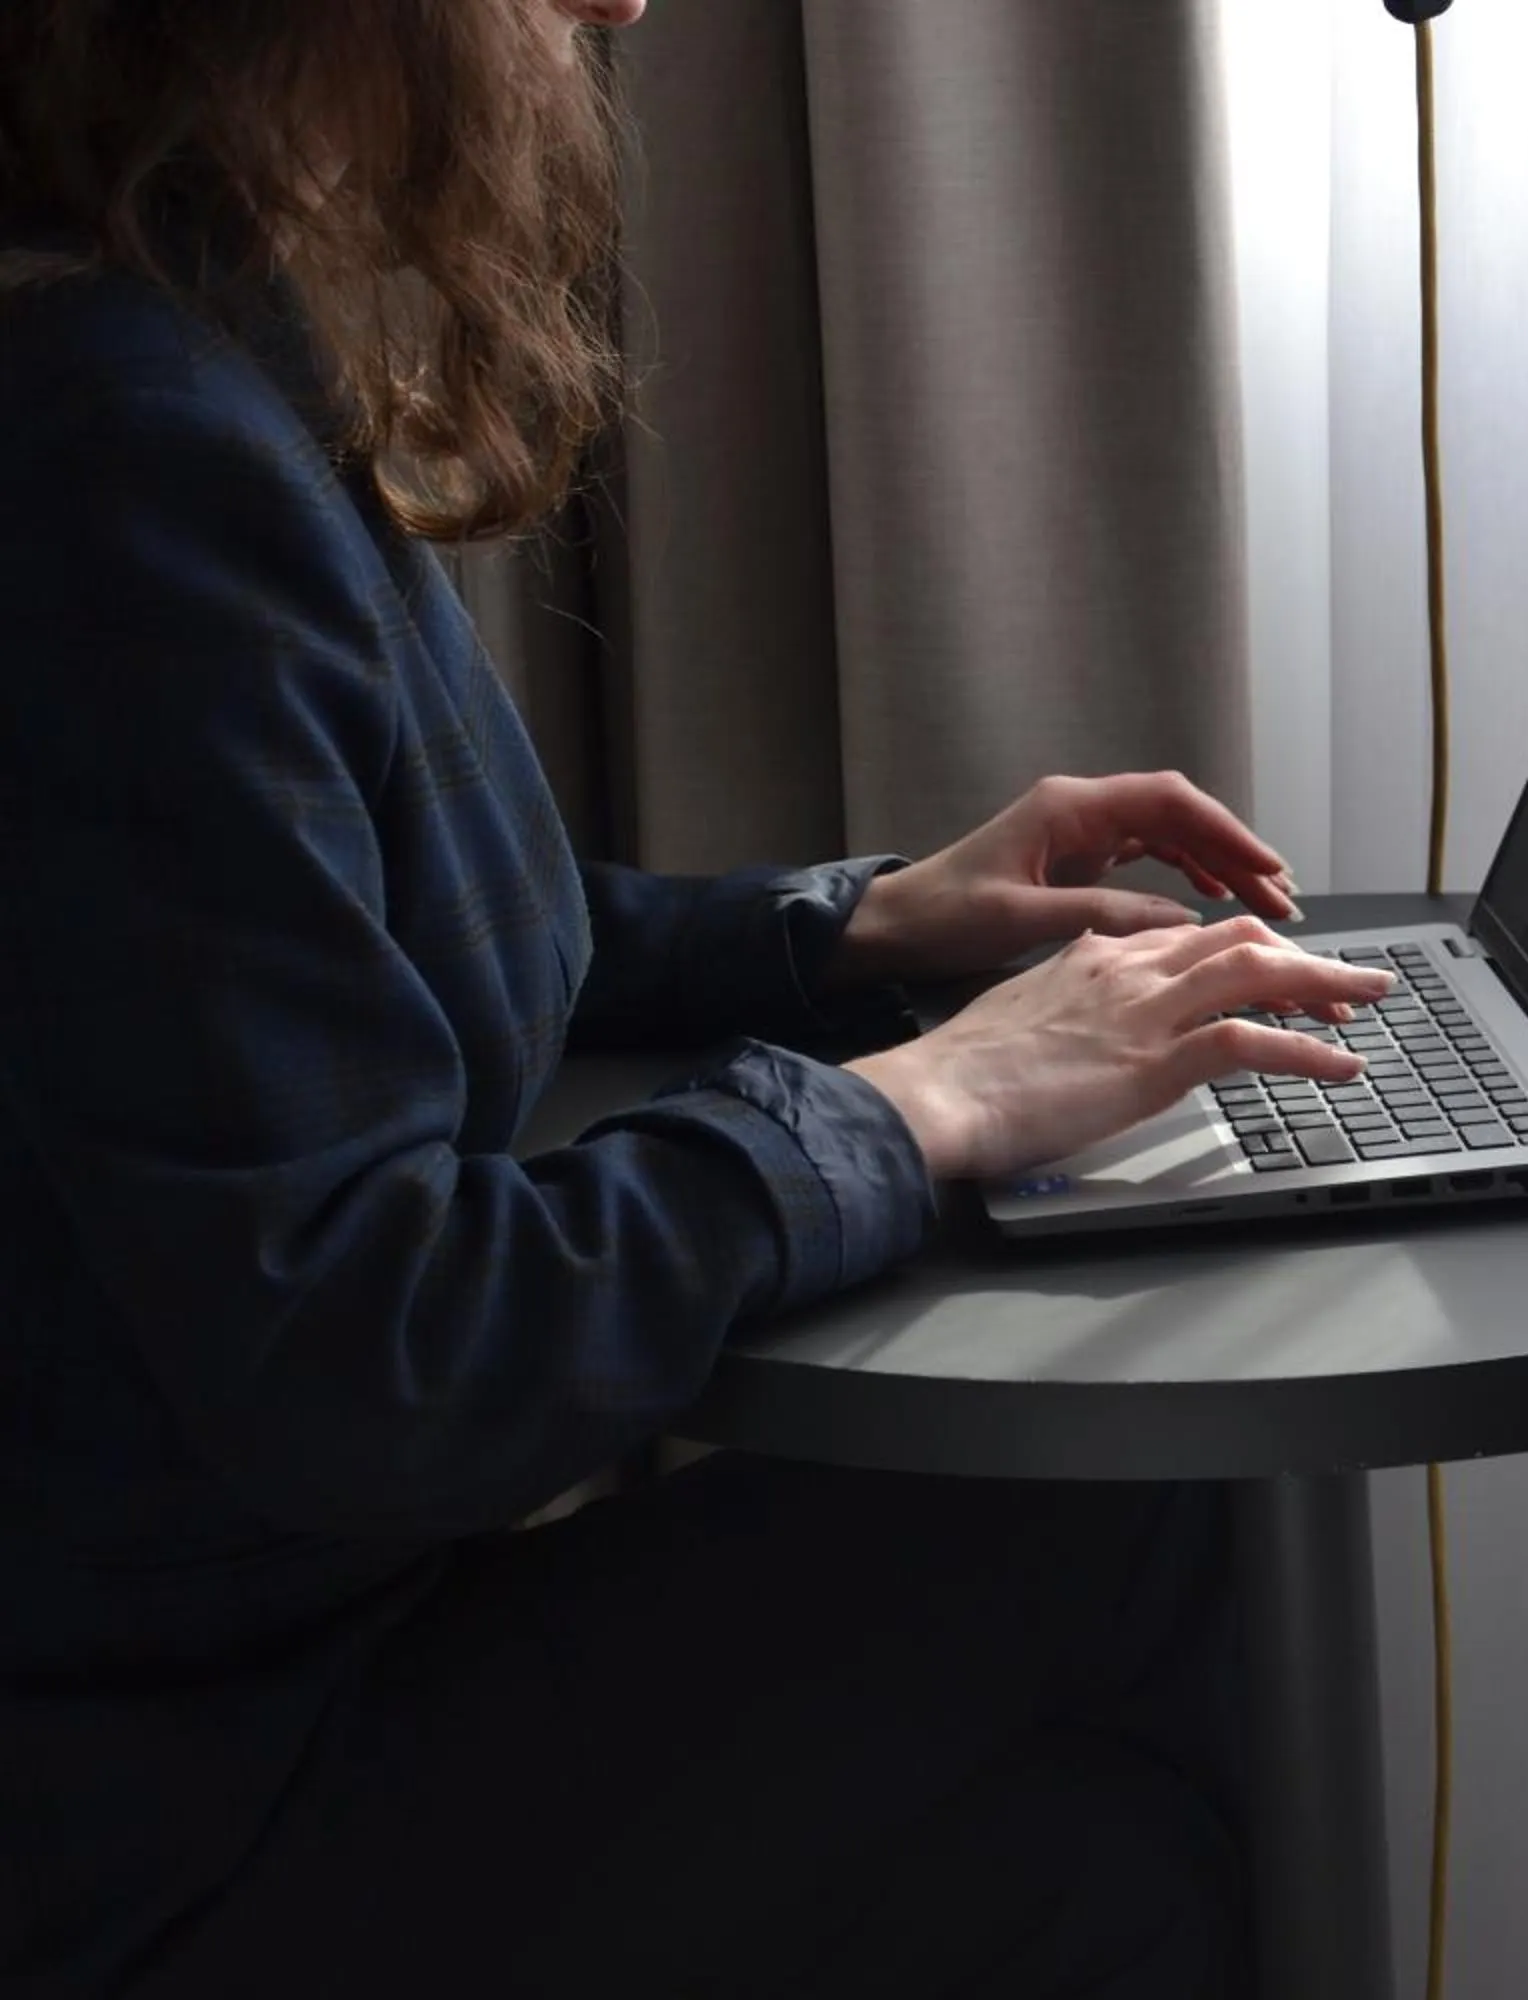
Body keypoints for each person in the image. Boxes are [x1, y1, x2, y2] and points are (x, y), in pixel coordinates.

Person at [0, 2, 1395, 1992]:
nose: (627, 10)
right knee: (1125, 1510)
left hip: (254, 1692)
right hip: (179, 1817)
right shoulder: (111, 457)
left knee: (1093, 1863)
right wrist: (925, 1103)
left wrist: (864, 925)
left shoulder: (190, 340)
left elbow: (363, 949)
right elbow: (361, 1346)